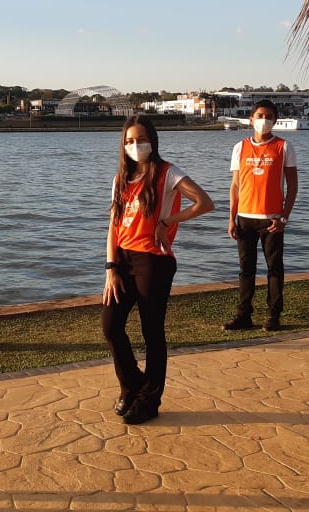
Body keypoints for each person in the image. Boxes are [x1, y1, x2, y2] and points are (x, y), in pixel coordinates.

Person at [103, 115, 214, 425]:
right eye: (129, 141)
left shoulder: (167, 173)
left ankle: (149, 399)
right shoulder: (120, 180)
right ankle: (131, 385)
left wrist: (169, 221)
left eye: (140, 139)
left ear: (152, 141)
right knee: (110, 326)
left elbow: (205, 202)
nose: (135, 145)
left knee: (152, 331)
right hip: (122, 260)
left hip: (153, 261)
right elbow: (114, 227)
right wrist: (110, 268)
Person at [223, 100, 298, 332]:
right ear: (251, 119)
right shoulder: (240, 147)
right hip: (245, 218)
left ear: (275, 120)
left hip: (272, 219)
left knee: (274, 269)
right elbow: (235, 186)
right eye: (259, 115)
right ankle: (244, 315)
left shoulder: (284, 147)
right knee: (246, 270)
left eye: (268, 116)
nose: (263, 119)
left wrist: (284, 217)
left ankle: (274, 316)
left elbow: (293, 186)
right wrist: (231, 218)